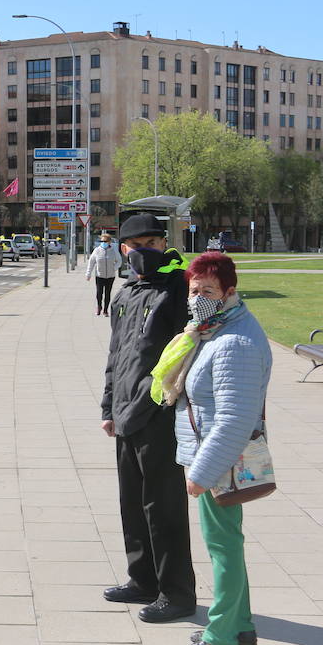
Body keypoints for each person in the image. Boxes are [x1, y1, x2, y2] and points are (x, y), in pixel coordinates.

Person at [158, 252, 272, 645]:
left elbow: (234, 417)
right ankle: (239, 624)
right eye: (194, 290)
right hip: (213, 452)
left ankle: (220, 639)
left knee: (223, 547)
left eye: (208, 290)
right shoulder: (215, 328)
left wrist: (202, 473)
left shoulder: (234, 342)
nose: (199, 298)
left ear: (229, 292)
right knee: (229, 542)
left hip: (219, 457)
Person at [99, 213, 197, 622]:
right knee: (132, 503)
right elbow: (116, 355)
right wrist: (108, 407)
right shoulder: (125, 293)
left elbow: (191, 349)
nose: (145, 251)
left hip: (160, 411)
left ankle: (176, 593)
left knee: (164, 506)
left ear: (164, 243)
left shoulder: (179, 289)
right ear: (124, 249)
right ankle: (142, 580)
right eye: (137, 245)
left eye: (152, 243)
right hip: (124, 413)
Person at [85, 232, 123, 316]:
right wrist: (88, 274)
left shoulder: (114, 250)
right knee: (99, 293)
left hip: (110, 276)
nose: (103, 243)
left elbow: (119, 261)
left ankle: (105, 310)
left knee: (107, 293)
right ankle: (99, 307)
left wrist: (114, 268)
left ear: (109, 242)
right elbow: (91, 262)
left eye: (105, 241)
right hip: (99, 275)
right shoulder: (97, 250)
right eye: (102, 241)